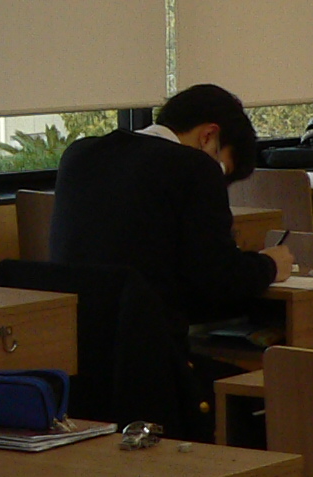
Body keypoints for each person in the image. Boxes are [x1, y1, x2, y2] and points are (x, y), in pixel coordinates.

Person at [48, 84, 295, 327]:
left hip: (71, 336)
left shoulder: (80, 154)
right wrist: (270, 265)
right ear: (208, 136)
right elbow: (219, 280)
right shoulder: (193, 166)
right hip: (147, 339)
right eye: (222, 169)